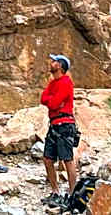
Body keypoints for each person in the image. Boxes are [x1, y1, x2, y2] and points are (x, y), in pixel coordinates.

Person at [40, 53, 78, 208]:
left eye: (54, 61)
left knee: (67, 160)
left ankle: (72, 193)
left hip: (64, 125)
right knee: (47, 159)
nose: (51, 62)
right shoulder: (53, 83)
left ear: (60, 66)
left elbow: (54, 103)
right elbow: (44, 99)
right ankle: (55, 191)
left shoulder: (66, 82)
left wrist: (52, 100)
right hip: (54, 125)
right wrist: (52, 100)